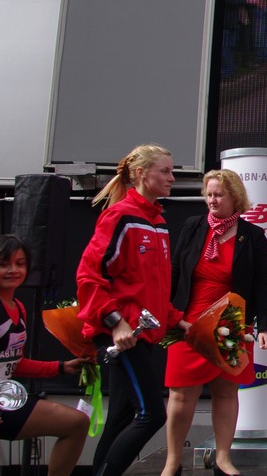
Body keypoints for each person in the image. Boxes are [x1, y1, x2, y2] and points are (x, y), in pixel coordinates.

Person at [76, 144, 191, 476]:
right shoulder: (120, 216)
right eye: (165, 171)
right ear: (141, 174)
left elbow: (151, 289)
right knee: (152, 414)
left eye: (172, 171)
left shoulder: (158, 222)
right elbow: (88, 276)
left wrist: (178, 321)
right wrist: (116, 323)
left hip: (142, 334)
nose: (172, 178)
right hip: (124, 335)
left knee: (122, 416)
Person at [162, 170, 267, 476]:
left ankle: (223, 459)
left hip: (231, 324)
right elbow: (175, 272)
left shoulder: (253, 236)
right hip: (188, 325)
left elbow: (262, 285)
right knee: (180, 395)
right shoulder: (192, 226)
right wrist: (167, 314)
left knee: (226, 393)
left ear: (234, 198)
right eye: (209, 194)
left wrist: (264, 326)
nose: (212, 200)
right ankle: (172, 462)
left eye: (219, 195)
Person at [0, 235, 90, 474]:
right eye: (4, 264)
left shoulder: (18, 308)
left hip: (0, 403)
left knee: (76, 423)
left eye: (20, 263)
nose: (13, 270)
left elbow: (13, 363)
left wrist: (61, 367)